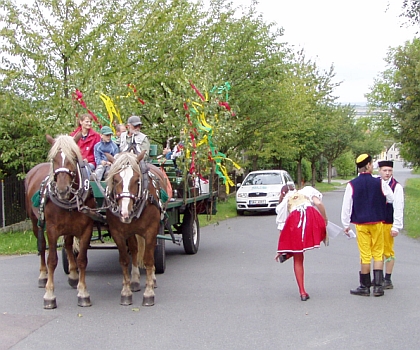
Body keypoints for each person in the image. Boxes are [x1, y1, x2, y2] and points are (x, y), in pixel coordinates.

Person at [341, 154, 394, 297]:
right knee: (378, 253)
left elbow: (347, 206)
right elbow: (390, 198)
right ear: (369, 165)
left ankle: (364, 286)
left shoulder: (352, 184)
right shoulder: (380, 182)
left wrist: (346, 224)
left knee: (365, 255)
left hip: (361, 224)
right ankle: (378, 287)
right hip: (377, 222)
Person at [274, 185, 328, 301]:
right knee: (318, 231)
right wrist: (324, 220)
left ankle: (302, 292)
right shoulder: (307, 190)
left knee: (298, 254)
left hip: (295, 221)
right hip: (310, 215)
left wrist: (281, 248)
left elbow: (282, 226)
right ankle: (321, 237)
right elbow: (319, 204)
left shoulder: (284, 202)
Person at [377, 160, 404, 289]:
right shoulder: (376, 183)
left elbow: (398, 207)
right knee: (377, 251)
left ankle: (388, 278)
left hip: (388, 222)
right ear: (379, 171)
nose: (387, 173)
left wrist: (396, 226)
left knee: (388, 251)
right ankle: (378, 277)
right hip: (376, 222)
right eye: (385, 170)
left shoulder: (396, 187)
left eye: (389, 171)